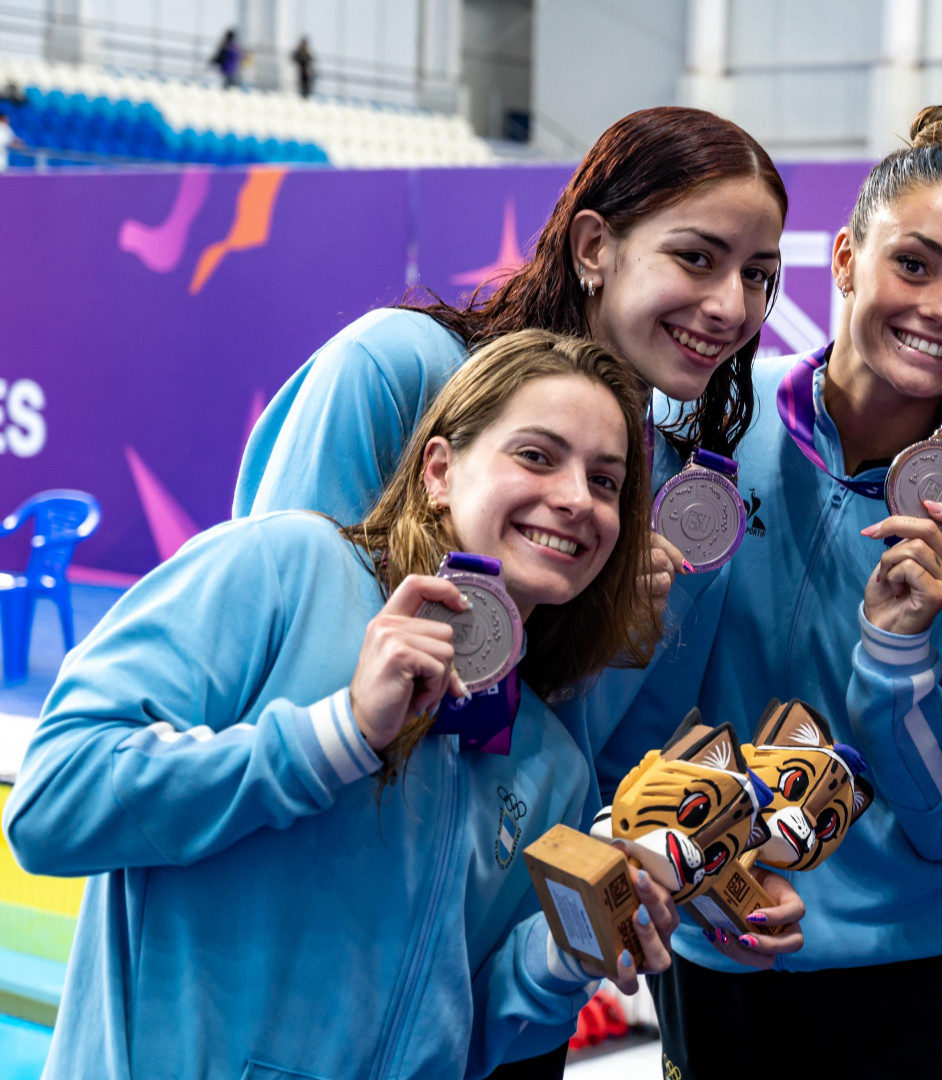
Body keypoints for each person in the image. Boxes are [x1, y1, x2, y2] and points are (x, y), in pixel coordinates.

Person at [233, 106, 805, 1071]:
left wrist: (707, 861)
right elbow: (274, 659)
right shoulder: (397, 370)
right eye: (697, 258)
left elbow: (597, 778)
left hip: (499, 982)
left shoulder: (652, 492)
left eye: (757, 275)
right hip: (313, 962)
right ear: (594, 246)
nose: (730, 306)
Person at [2, 330, 681, 1080]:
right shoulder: (285, 569)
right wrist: (337, 734)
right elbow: (50, 806)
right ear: (440, 470)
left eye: (606, 481)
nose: (576, 499)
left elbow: (458, 1035)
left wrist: (560, 956)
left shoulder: (549, 763)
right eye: (537, 455)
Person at [600, 105, 942, 1079]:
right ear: (843, 260)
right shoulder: (701, 433)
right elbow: (624, 725)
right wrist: (707, 875)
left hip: (926, 966)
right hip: (721, 947)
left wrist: (901, 659)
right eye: (912, 264)